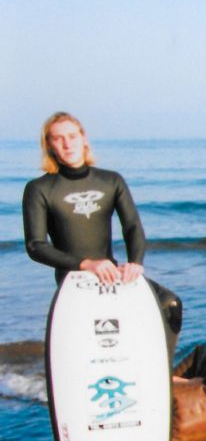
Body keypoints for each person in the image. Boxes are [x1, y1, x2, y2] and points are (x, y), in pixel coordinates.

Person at [22, 112, 182, 357]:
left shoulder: (111, 181)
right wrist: (85, 264)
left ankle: (160, 371)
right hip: (73, 281)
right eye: (58, 138)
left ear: (84, 139)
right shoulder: (39, 189)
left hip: (111, 276)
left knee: (170, 304)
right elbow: (36, 246)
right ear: (49, 145)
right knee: (89, 337)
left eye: (72, 136)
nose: (67, 143)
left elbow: (132, 227)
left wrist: (135, 263)